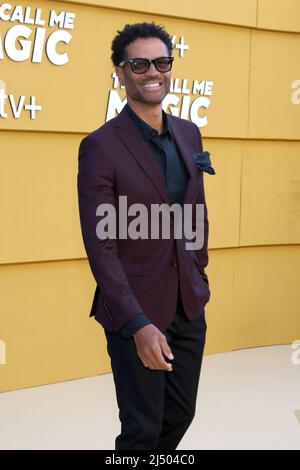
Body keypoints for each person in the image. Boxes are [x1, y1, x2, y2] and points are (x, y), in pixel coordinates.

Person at [77, 21, 211, 450]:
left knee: (180, 415)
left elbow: (196, 212)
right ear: (120, 73)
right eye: (139, 64)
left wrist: (199, 275)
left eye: (161, 62)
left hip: (187, 305)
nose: (152, 72)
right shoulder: (100, 145)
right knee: (142, 430)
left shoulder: (188, 133)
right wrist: (137, 324)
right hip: (135, 310)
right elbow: (102, 244)